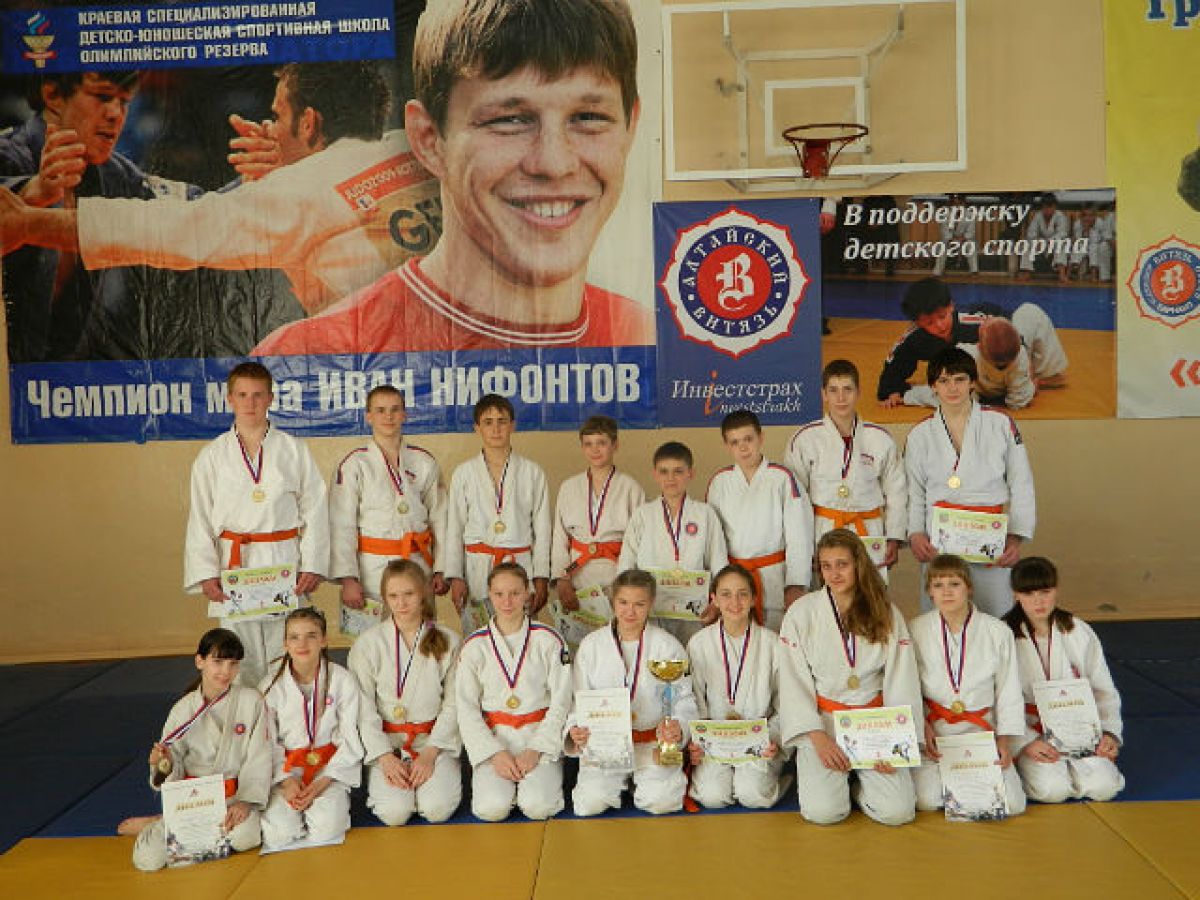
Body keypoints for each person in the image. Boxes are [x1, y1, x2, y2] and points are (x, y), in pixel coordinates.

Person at [250, 0, 653, 355]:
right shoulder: (300, 361)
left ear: (630, 128)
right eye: (510, 120)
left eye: (589, 117)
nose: (554, 163)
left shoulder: (654, 340)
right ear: (428, 140)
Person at [0, 62, 432, 321]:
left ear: (309, 123)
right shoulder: (416, 149)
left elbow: (173, 229)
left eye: (278, 117)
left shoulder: (301, 190)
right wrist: (280, 175)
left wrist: (30, 222)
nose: (270, 130)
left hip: (391, 352)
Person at [183, 361, 329, 687]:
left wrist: (313, 565)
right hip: (235, 567)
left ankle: (289, 717)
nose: (250, 403)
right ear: (229, 399)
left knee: (287, 652)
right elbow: (200, 517)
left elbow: (316, 510)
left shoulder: (293, 449)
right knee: (238, 656)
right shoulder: (212, 456)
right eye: (243, 395)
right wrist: (205, 572)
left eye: (258, 395)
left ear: (271, 398)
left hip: (284, 563)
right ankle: (243, 717)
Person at [778, 529, 922, 826]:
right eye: (826, 566)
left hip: (874, 722)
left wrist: (895, 741)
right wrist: (817, 736)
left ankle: (857, 789)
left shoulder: (885, 611)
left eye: (842, 564)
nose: (834, 574)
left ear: (858, 564)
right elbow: (793, 681)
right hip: (825, 721)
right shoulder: (802, 613)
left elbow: (901, 678)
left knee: (897, 812)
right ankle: (839, 785)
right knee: (824, 813)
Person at [117, 628, 271, 871]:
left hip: (233, 799)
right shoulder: (183, 710)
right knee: (148, 860)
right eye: (218, 662)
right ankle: (160, 823)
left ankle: (168, 823)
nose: (226, 671)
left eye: (233, 664)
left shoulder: (251, 701)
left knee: (246, 837)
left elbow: (259, 755)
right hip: (192, 803)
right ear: (200, 661)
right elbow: (169, 764)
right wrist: (163, 764)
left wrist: (246, 802)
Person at [904, 348, 1036, 617]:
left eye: (960, 379)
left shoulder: (1001, 424)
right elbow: (913, 491)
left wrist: (1015, 538)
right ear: (933, 387)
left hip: (990, 539)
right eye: (944, 381)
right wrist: (915, 533)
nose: (952, 388)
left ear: (973, 382)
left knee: (994, 616)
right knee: (941, 618)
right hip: (938, 541)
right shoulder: (920, 434)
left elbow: (1021, 483)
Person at [568, 568, 699, 816]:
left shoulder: (667, 646)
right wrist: (576, 729)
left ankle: (639, 781)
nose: (630, 611)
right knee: (590, 804)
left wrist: (678, 728)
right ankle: (625, 782)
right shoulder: (592, 646)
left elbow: (683, 700)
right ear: (612, 601)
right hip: (607, 742)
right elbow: (578, 700)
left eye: (639, 604)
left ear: (651, 603)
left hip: (653, 741)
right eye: (623, 602)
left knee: (661, 803)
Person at [347, 560, 463, 826]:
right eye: (393, 596)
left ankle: (438, 770)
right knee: (394, 814)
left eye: (409, 594)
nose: (401, 603)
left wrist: (430, 754)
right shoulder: (368, 644)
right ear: (385, 598)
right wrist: (385, 757)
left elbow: (455, 703)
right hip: (388, 744)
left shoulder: (448, 640)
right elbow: (362, 707)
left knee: (436, 809)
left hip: (433, 742)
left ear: (423, 592)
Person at [909, 555, 1027, 816]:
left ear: (969, 588)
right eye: (938, 585)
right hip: (935, 734)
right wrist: (922, 726)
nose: (946, 592)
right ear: (929, 591)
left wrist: (1004, 741)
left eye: (954, 584)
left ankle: (974, 781)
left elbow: (1008, 690)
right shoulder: (915, 630)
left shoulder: (998, 631)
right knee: (927, 800)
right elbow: (908, 687)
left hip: (981, 731)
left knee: (1014, 805)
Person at [455, 563, 571, 822]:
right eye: (499, 594)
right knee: (491, 809)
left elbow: (562, 700)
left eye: (515, 593)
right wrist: (494, 753)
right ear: (489, 594)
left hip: (537, 736)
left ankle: (537, 780)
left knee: (538, 807)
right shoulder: (475, 646)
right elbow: (466, 707)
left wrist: (536, 748)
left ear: (527, 593)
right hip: (495, 739)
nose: (507, 602)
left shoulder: (548, 640)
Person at [1003, 557, 1125, 802]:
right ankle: (1042, 771)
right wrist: (1025, 742)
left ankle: (1074, 770)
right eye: (1029, 594)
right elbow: (998, 698)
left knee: (1105, 787)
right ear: (1015, 594)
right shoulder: (1003, 635)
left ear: (1056, 590)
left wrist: (1109, 733)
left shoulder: (1078, 631)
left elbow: (1103, 690)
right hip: (1032, 731)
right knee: (1053, 790)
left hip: (1081, 730)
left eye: (1045, 592)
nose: (1038, 601)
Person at [329, 384, 446, 636]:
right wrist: (348, 579)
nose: (388, 416)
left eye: (395, 410)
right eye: (380, 410)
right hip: (371, 570)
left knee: (422, 639)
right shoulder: (355, 463)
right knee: (372, 642)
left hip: (417, 565)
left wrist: (441, 569)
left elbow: (441, 519)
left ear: (405, 414)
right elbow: (341, 525)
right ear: (368, 416)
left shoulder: (423, 461)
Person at [442, 394, 551, 635]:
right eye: (488, 422)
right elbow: (454, 529)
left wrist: (541, 577)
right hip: (477, 568)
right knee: (478, 638)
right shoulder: (464, 473)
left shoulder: (532, 472)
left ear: (513, 425)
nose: (496, 429)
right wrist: (455, 576)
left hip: (519, 565)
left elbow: (543, 531)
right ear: (477, 428)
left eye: (502, 421)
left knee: (520, 637)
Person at [259, 608, 365, 851]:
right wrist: (286, 782)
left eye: (311, 636)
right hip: (287, 770)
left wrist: (322, 782)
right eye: (294, 637)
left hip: (328, 770)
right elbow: (267, 742)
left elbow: (350, 737)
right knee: (279, 835)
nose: (302, 643)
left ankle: (325, 804)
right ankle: (290, 807)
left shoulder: (342, 680)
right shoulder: (270, 686)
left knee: (327, 829)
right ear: (285, 643)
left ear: (324, 640)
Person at [788, 360, 906, 575]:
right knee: (828, 592)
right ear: (824, 394)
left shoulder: (880, 438)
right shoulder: (805, 439)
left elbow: (896, 491)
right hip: (823, 528)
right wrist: (803, 546)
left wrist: (894, 538)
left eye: (847, 390)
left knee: (869, 592)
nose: (841, 398)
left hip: (868, 528)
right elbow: (796, 500)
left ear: (858, 393)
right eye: (833, 390)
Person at [686, 565, 787, 810]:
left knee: (752, 795)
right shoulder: (699, 643)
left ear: (754, 599)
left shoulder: (772, 643)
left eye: (743, 594)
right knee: (712, 797)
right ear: (714, 599)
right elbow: (693, 699)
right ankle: (727, 779)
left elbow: (785, 703)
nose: (735, 602)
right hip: (715, 742)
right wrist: (697, 741)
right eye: (726, 594)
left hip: (758, 741)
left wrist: (772, 739)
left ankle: (783, 779)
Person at [706, 410, 812, 632]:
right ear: (727, 446)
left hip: (774, 579)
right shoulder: (719, 482)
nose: (743, 448)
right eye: (735, 442)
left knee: (777, 640)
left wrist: (795, 583)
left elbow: (799, 536)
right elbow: (714, 541)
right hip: (734, 583)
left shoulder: (782, 478)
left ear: (761, 438)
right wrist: (719, 585)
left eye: (748, 439)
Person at [618, 441, 728, 644]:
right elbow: (626, 563)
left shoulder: (705, 514)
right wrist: (626, 603)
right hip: (650, 608)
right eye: (664, 471)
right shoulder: (643, 514)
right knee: (653, 656)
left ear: (691, 474)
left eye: (678, 471)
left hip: (695, 611)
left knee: (692, 657)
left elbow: (719, 563)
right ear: (655, 474)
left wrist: (718, 602)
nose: (671, 478)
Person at [549, 415, 646, 645]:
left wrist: (628, 585)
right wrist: (562, 580)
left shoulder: (631, 487)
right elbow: (560, 537)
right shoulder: (569, 487)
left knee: (618, 642)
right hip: (578, 578)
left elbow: (640, 541)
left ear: (615, 445)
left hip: (616, 575)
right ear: (582, 447)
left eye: (601, 443)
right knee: (579, 645)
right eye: (588, 444)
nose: (595, 450)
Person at [1019, 193, 1070, 281]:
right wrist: (1036, 241)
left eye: (1050, 207)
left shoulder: (1060, 216)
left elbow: (1062, 234)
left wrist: (1049, 242)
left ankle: (1061, 274)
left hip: (1054, 244)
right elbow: (1031, 233)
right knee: (1026, 244)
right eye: (1045, 207)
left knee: (1061, 243)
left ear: (1054, 207)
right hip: (1041, 244)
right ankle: (1027, 272)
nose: (1047, 210)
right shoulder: (1038, 216)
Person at [931, 194, 979, 276]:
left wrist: (963, 238)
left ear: (963, 204)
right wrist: (952, 239)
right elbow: (944, 231)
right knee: (941, 246)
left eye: (959, 204)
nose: (957, 206)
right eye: (955, 204)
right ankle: (938, 272)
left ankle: (974, 270)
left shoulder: (970, 215)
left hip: (964, 240)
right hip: (949, 240)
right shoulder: (945, 214)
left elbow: (971, 232)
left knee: (971, 245)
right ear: (951, 205)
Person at [1069, 202, 1113, 281]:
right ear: (1081, 216)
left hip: (1096, 245)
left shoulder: (1100, 223)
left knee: (1093, 250)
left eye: (1090, 216)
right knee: (1078, 249)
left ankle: (1094, 275)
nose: (1087, 218)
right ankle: (1074, 272)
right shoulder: (1078, 224)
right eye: (1084, 216)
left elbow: (1104, 237)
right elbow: (1076, 239)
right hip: (1082, 244)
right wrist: (1084, 230)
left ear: (1095, 216)